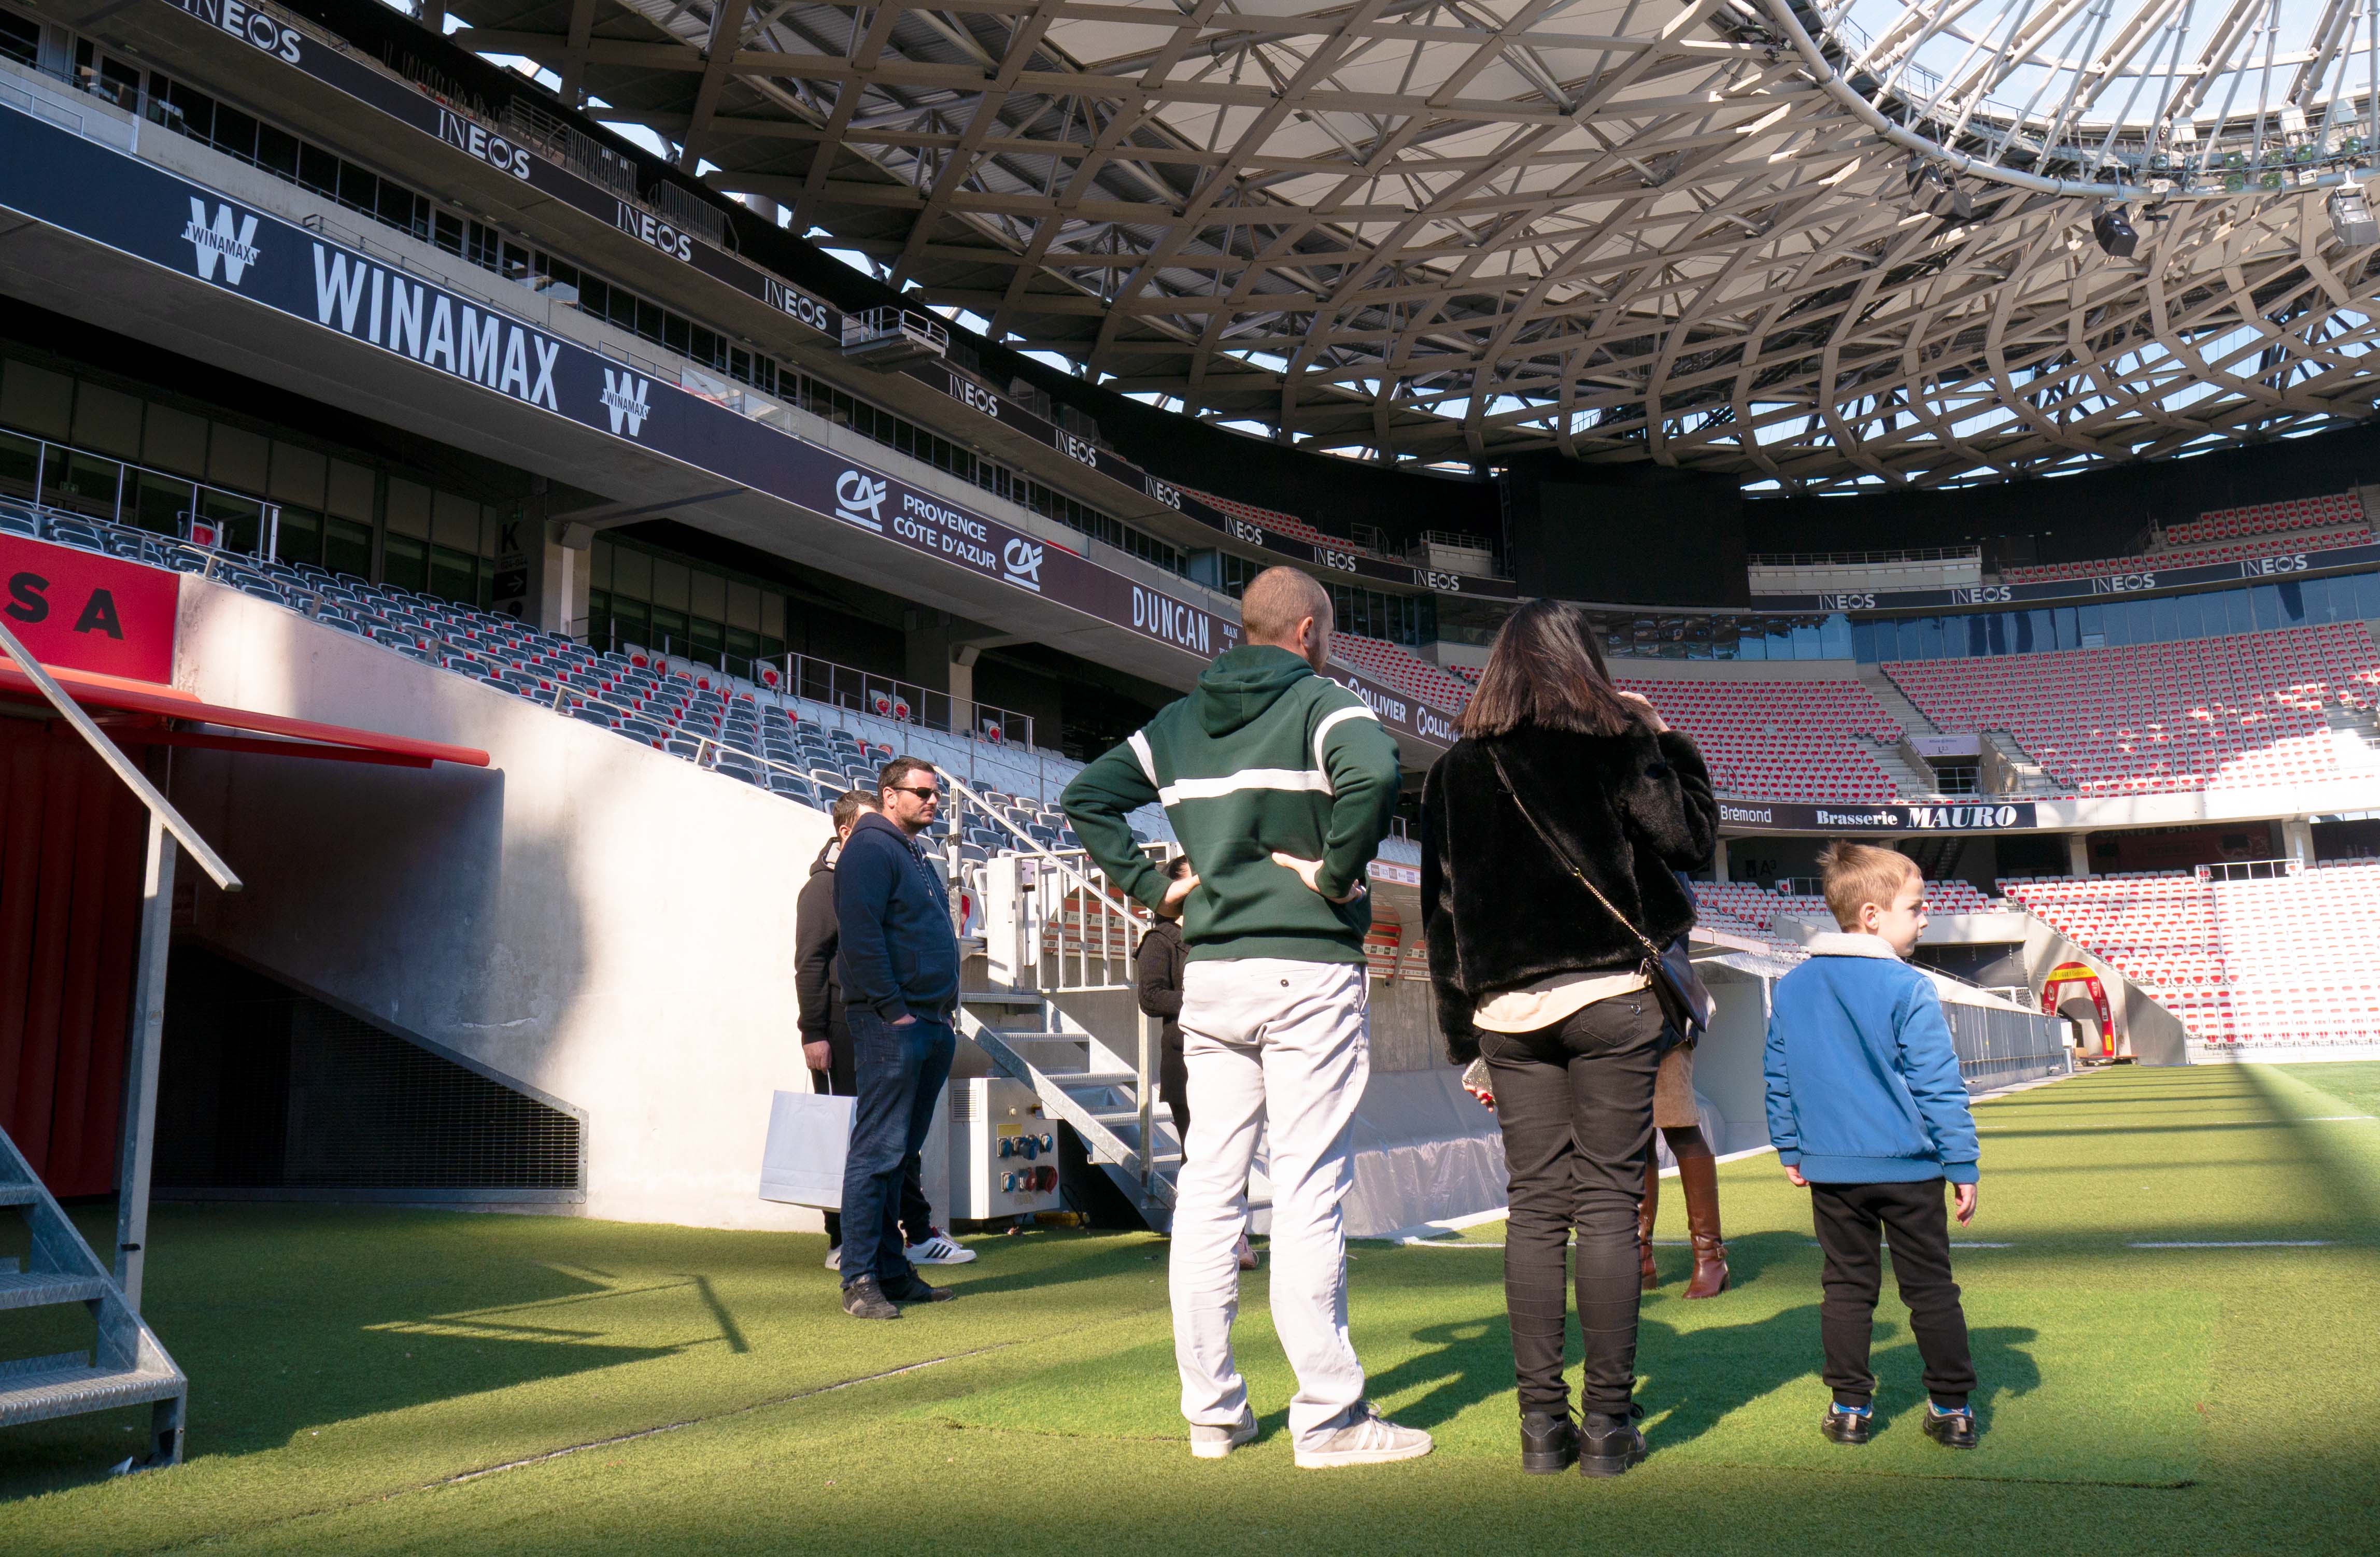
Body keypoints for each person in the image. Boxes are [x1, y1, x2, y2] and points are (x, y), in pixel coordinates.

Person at [1065, 565, 1427, 1470]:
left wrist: (1152, 887)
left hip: (1214, 973)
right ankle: (1329, 1419)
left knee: (1208, 1191)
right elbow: (1378, 772)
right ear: (1307, 631)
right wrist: (1336, 874)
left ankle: (1214, 1414)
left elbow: (1087, 797)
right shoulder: (1324, 703)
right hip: (1306, 970)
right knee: (1306, 1189)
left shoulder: (1177, 721)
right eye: (1326, 633)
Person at [1420, 598, 1717, 1477]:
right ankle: (1608, 1428)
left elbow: (1442, 919)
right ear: (1582, 661)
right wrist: (1663, 739)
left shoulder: (1454, 769)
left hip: (1507, 1014)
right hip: (1612, 997)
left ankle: (1541, 1429)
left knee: (1536, 1209)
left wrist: (1464, 1043)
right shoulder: (1615, 740)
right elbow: (1690, 838)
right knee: (1608, 1205)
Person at [1765, 842, 1981, 1450]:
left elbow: (1778, 1073)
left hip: (1833, 1172)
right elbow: (1937, 1084)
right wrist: (1961, 1161)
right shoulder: (1907, 986)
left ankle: (1849, 1409)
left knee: (1845, 1288)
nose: (1924, 919)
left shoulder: (1793, 987)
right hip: (1910, 1169)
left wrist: (1788, 1147)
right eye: (1914, 908)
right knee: (1930, 1289)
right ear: (1870, 916)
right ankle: (1951, 1409)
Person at [797, 789, 975, 1274]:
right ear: (845, 832)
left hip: (895, 1020)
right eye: (870, 825)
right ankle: (844, 1241)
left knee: (897, 1141)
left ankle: (911, 1234)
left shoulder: (896, 870)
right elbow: (810, 962)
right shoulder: (823, 887)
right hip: (845, 1028)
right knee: (856, 1139)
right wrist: (813, 1031)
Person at [834, 756, 963, 1320]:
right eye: (922, 792)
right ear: (890, 795)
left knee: (899, 1155)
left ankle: (890, 1270)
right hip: (894, 1023)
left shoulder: (911, 850)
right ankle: (859, 1278)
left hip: (929, 1021)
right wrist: (893, 1011)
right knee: (877, 1153)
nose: (933, 801)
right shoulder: (870, 847)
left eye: (935, 793)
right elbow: (860, 937)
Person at [1134, 854, 1256, 1273]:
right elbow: (1150, 997)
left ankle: (1232, 1237)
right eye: (1195, 884)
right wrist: (1204, 1000)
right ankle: (1205, 1241)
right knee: (1201, 1155)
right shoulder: (1161, 940)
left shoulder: (1221, 936)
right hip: (1185, 1061)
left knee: (1236, 1150)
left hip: (1232, 1055)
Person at [1637, 976, 1729, 1297]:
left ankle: (1710, 1258)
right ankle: (1640, 1256)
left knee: (1680, 1127)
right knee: (1635, 1136)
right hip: (1613, 1026)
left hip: (1663, 1019)